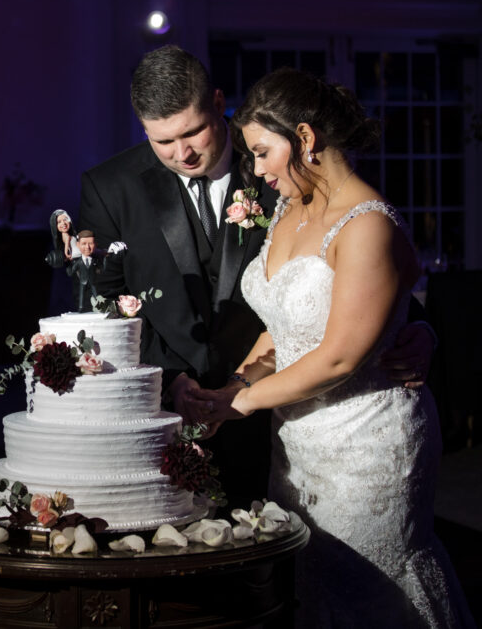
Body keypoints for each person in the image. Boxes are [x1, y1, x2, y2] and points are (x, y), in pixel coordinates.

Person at [78, 44, 434, 508]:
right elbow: (102, 308)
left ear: (218, 104)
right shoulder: (110, 188)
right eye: (162, 141)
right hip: (166, 419)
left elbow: (372, 267)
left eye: (194, 132)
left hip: (285, 424)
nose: (182, 153)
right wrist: (173, 379)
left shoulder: (285, 170)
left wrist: (420, 328)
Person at [191, 67, 475, 627]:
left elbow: (341, 354)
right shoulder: (288, 209)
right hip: (298, 442)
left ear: (305, 138)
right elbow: (280, 324)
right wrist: (232, 388)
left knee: (369, 587)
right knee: (314, 585)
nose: (258, 169)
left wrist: (241, 405)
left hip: (368, 443)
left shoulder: (367, 224)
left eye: (264, 152)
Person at [66, 230, 101, 312]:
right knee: (81, 295)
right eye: (84, 244)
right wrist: (68, 267)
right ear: (78, 245)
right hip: (83, 280)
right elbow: (72, 271)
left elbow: (99, 270)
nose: (87, 247)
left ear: (95, 244)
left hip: (93, 281)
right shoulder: (79, 262)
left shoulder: (95, 261)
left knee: (96, 294)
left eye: (91, 243)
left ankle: (99, 306)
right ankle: (81, 307)